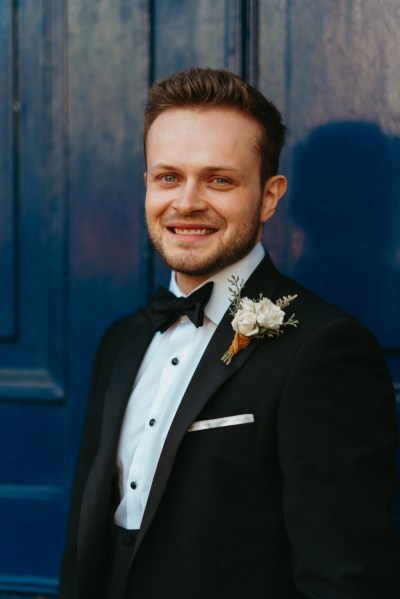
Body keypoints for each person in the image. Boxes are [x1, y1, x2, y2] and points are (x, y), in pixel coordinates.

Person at [59, 67, 400, 598]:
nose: (188, 201)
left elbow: (344, 577)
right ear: (147, 185)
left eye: (219, 179)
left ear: (268, 196)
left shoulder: (325, 348)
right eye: (168, 176)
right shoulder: (121, 340)